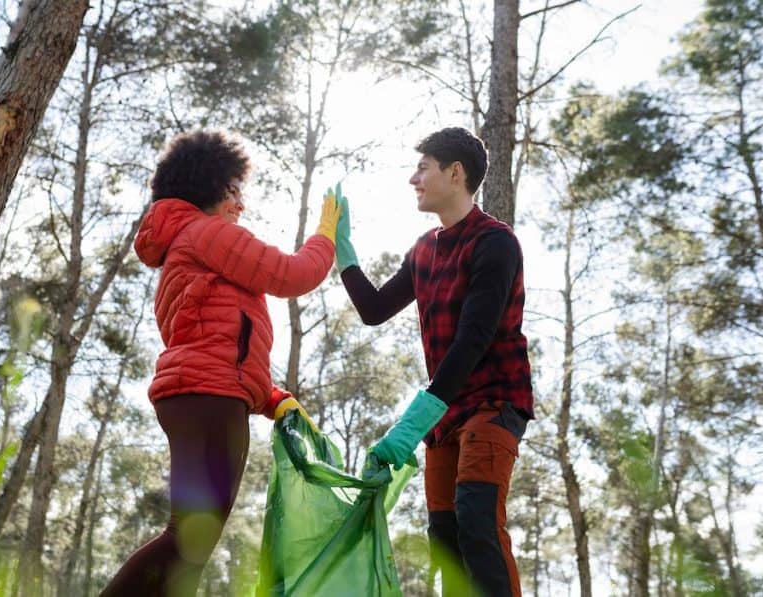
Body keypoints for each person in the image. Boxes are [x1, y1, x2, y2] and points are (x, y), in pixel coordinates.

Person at [100, 130, 339, 596]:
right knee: (188, 538)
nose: (240, 206)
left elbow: (212, 342)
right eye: (233, 192)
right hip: (210, 401)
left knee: (193, 542)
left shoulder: (186, 250)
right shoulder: (207, 234)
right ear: (206, 186)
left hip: (198, 397)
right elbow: (292, 274)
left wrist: (271, 399)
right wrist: (324, 237)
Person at [334, 127, 533, 597]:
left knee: (476, 520)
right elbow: (374, 309)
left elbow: (474, 338)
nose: (413, 179)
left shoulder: (495, 243)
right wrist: (343, 250)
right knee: (443, 536)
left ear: (455, 172)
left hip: (493, 402)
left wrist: (413, 421)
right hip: (444, 417)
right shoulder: (425, 249)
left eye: (422, 167)